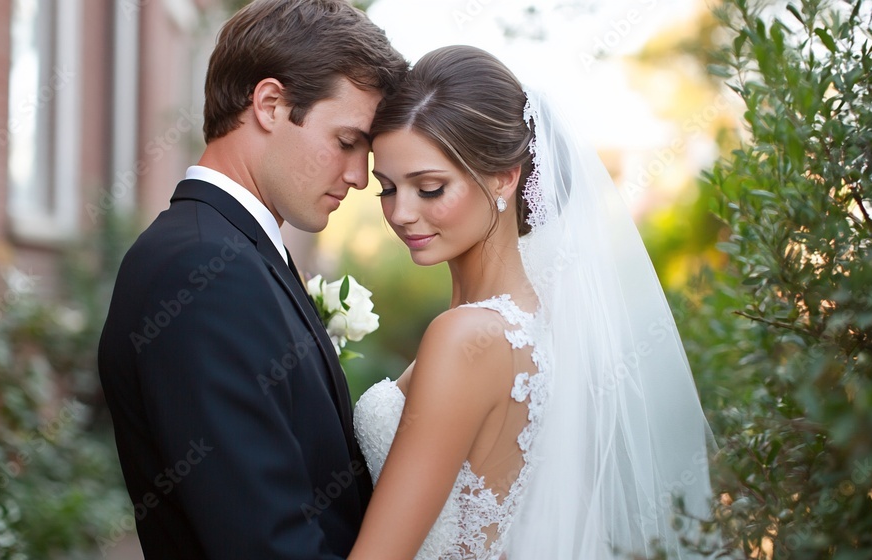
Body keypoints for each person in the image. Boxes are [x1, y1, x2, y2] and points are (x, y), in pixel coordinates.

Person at [350, 46, 715, 559]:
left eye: (429, 188)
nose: (401, 213)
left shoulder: (467, 338)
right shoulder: (537, 322)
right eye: (386, 189)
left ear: (505, 176)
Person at [97, 1, 407, 558]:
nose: (360, 176)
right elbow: (264, 542)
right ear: (269, 104)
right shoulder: (202, 272)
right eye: (346, 141)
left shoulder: (232, 250)